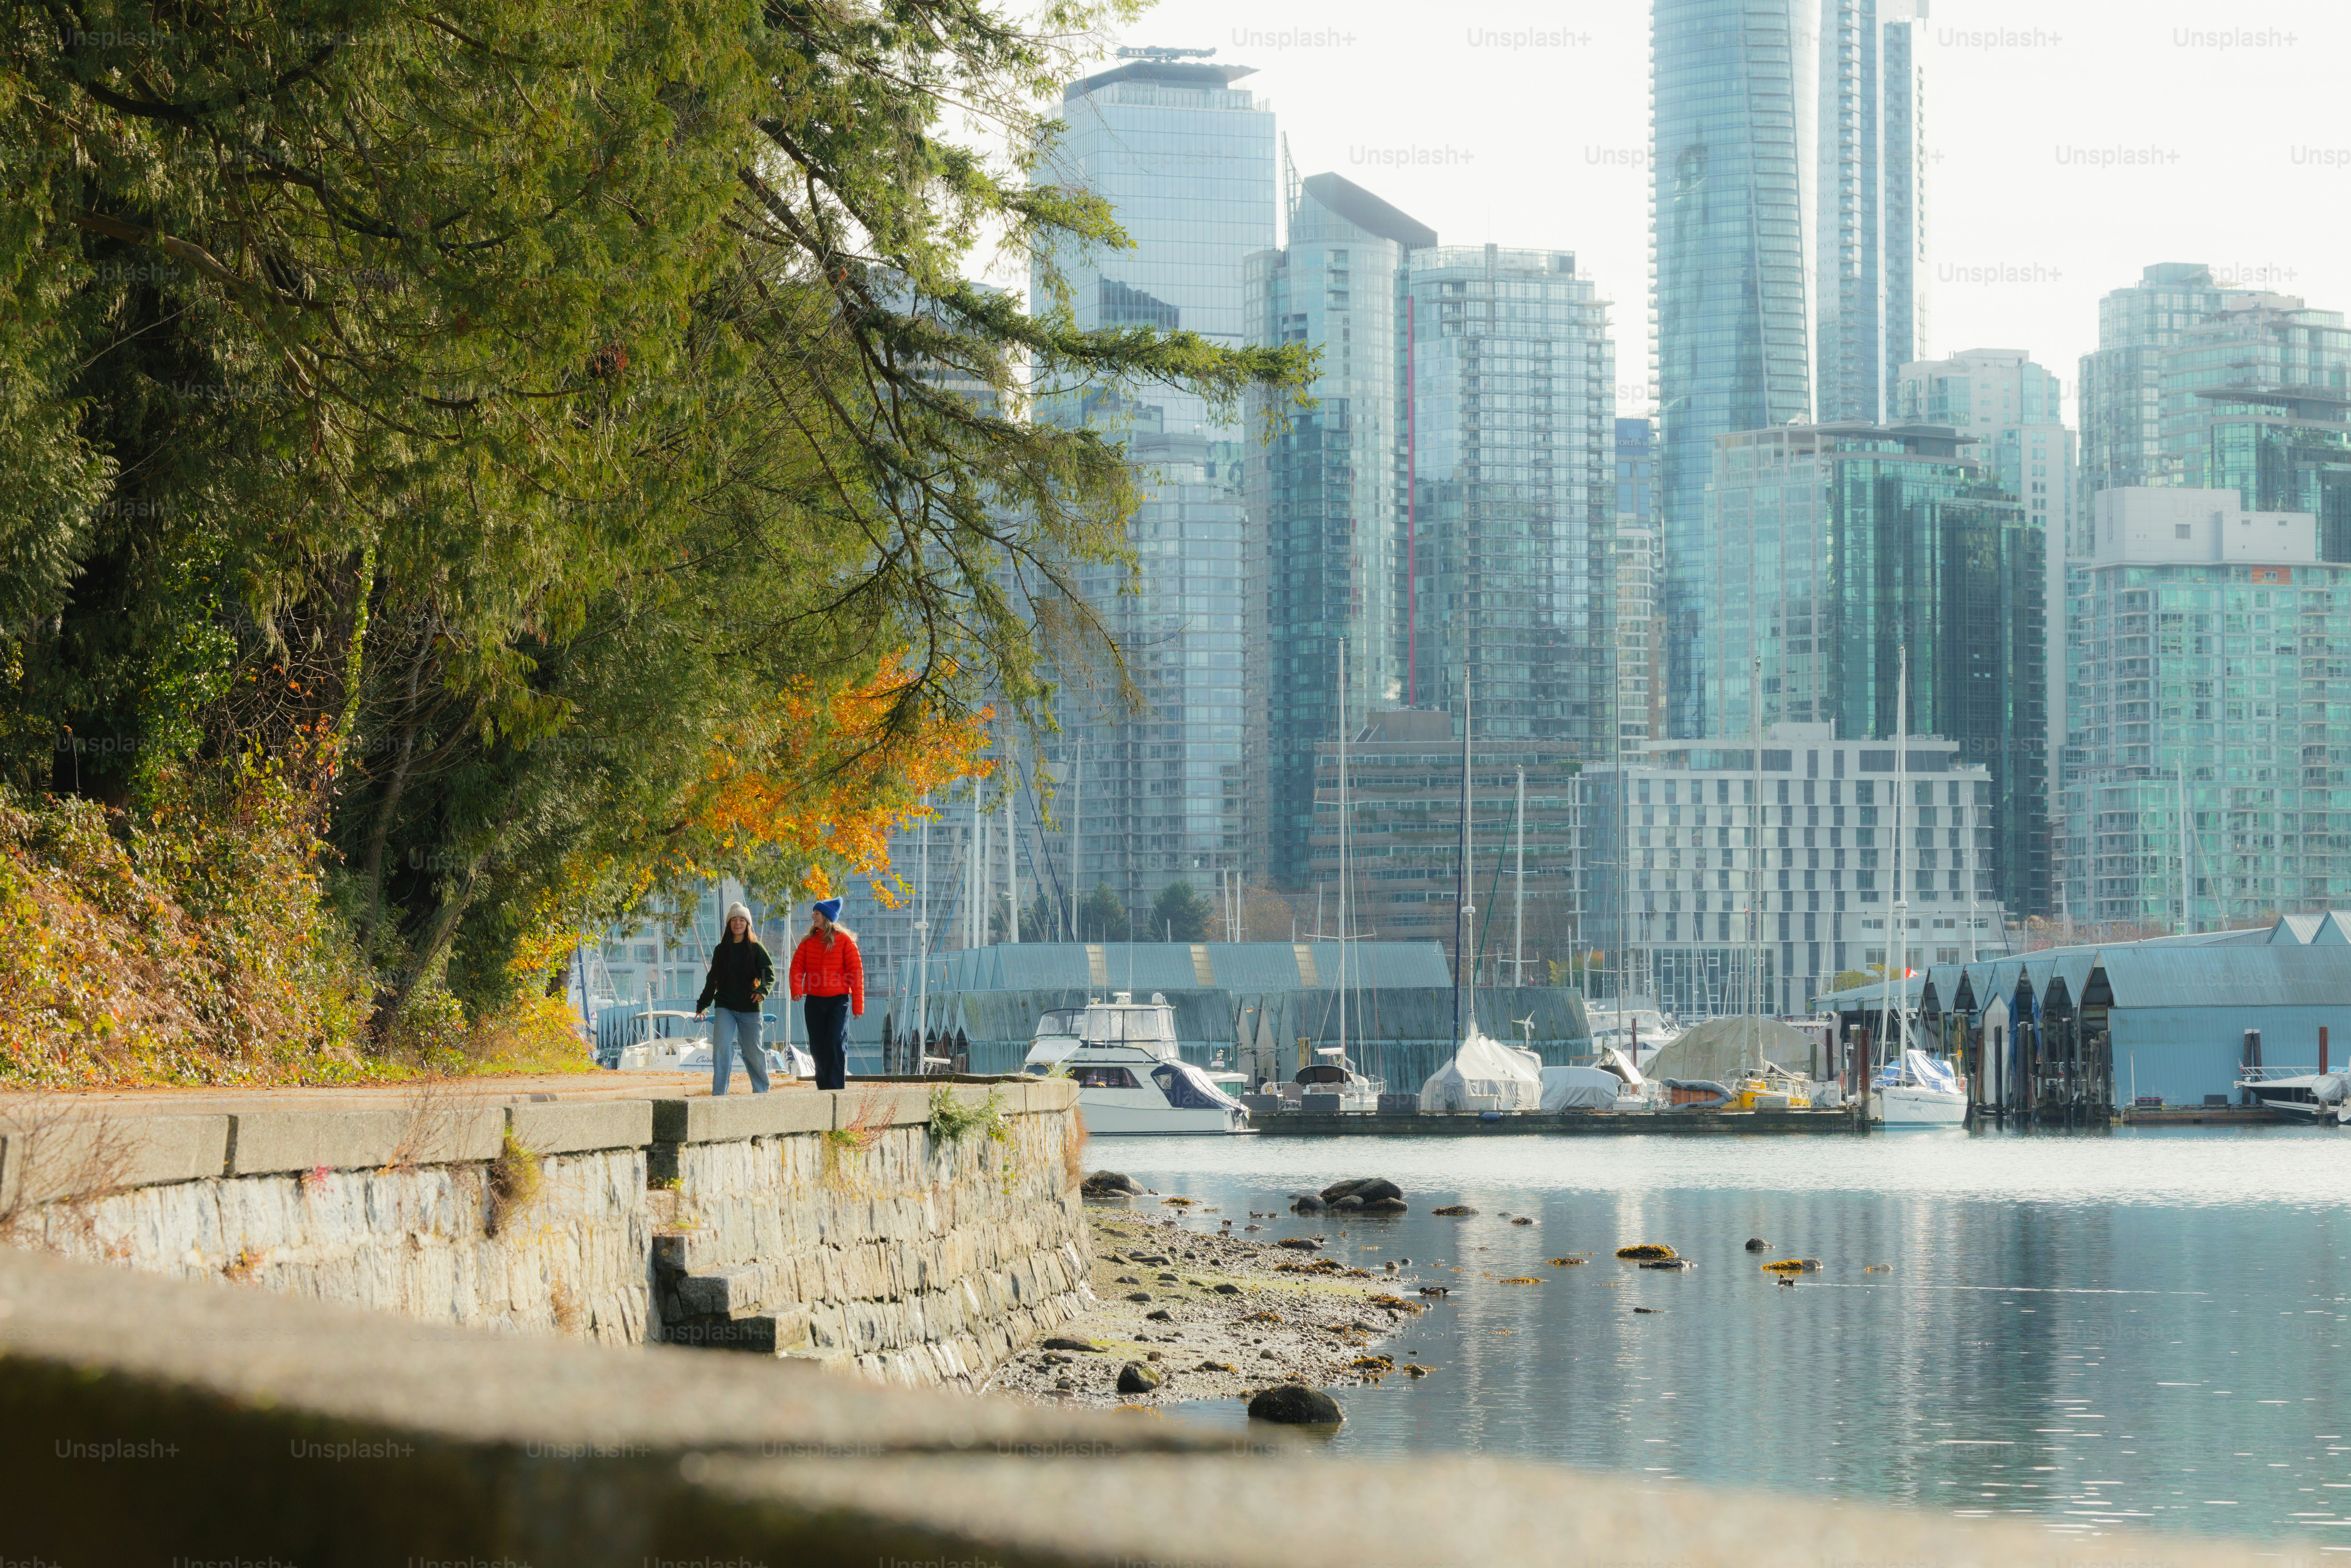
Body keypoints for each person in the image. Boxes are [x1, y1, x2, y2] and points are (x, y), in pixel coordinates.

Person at [694, 902, 775, 1095]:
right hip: (725, 1007)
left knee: (753, 1053)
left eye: (741, 920)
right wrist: (703, 1005)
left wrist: (763, 991)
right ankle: (719, 1095)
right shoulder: (721, 950)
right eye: (734, 920)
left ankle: (762, 1091)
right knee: (721, 1050)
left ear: (748, 924)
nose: (737, 923)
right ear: (729, 924)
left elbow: (769, 974)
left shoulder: (756, 949)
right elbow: (712, 979)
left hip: (750, 1007)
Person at [790, 897, 864, 1091]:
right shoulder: (808, 942)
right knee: (817, 1047)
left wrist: (858, 1005)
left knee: (835, 1042)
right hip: (814, 1001)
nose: (813, 916)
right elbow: (797, 966)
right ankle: (824, 1089)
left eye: (817, 913)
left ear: (827, 917)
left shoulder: (846, 941)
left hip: (839, 1001)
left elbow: (856, 973)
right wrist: (796, 988)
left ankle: (837, 1090)